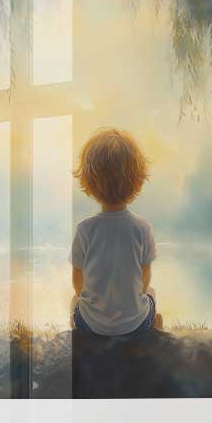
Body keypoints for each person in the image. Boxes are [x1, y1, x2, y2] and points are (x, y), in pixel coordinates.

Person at [68, 126, 160, 396]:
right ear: (137, 182)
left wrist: (91, 301)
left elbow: (77, 281)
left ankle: (80, 341)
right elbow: (144, 280)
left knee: (73, 302)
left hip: (92, 326)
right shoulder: (142, 228)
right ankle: (156, 337)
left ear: (90, 183)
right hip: (135, 325)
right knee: (152, 295)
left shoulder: (85, 230)